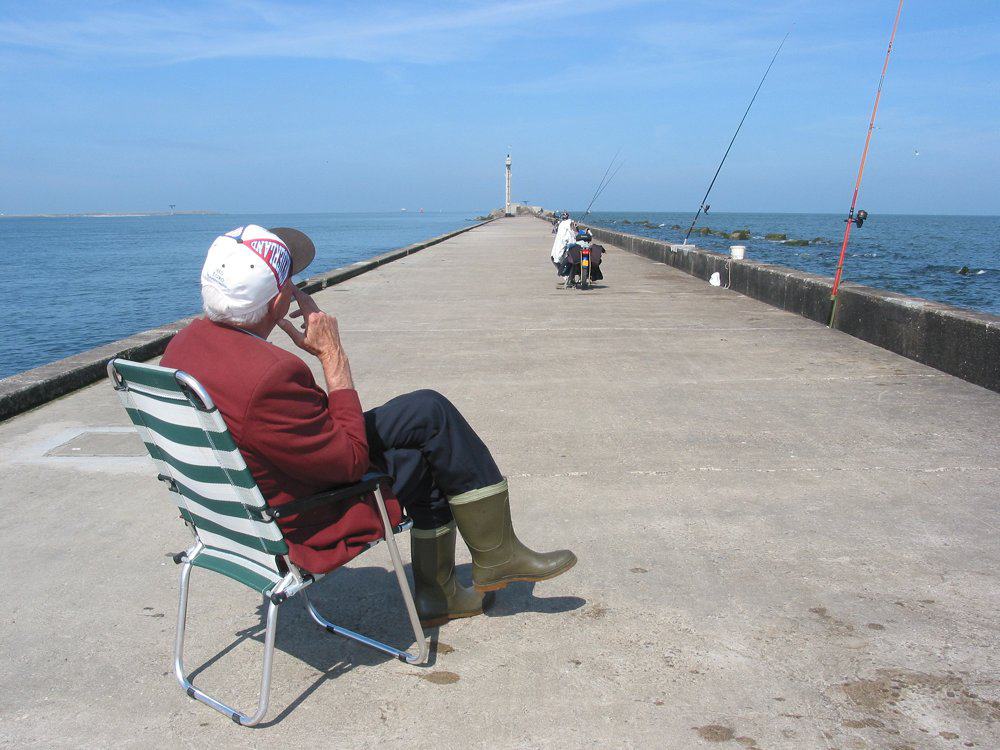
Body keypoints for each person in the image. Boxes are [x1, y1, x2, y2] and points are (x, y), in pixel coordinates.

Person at [161, 225, 577, 627]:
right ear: (276, 304)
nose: (295, 290)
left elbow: (285, 431)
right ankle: (460, 579)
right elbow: (350, 462)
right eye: (290, 283)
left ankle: (477, 568)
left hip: (241, 507)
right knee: (425, 456)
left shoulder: (183, 348)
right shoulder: (270, 375)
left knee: (428, 411)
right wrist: (332, 355)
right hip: (302, 518)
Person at [550, 212, 575, 287]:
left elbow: (566, 237)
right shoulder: (566, 223)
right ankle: (567, 276)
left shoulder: (564, 224)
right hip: (563, 246)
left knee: (556, 259)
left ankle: (567, 276)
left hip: (562, 246)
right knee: (558, 259)